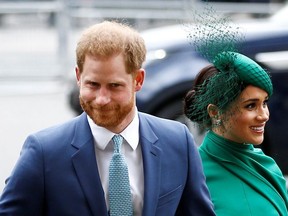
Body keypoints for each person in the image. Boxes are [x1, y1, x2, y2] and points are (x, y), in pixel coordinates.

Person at [0, 21, 215, 216]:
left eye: (114, 86)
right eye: (92, 85)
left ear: (138, 80)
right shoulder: (44, 151)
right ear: (78, 77)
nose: (102, 99)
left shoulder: (178, 141)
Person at [184, 51, 288, 215]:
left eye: (264, 103)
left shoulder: (266, 164)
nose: (264, 116)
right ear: (215, 112)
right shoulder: (195, 176)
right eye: (250, 106)